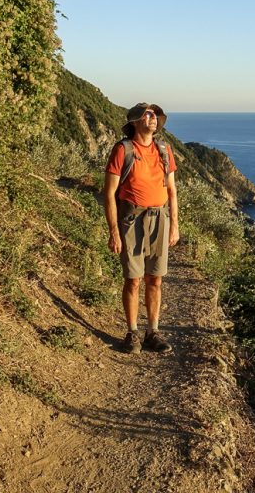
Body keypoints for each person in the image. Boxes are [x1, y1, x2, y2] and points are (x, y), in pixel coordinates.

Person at [102, 103, 180, 354]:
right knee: (133, 280)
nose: (153, 118)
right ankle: (133, 333)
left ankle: (153, 332)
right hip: (131, 220)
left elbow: (172, 191)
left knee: (155, 278)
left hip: (160, 218)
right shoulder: (122, 150)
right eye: (147, 114)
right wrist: (113, 230)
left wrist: (174, 225)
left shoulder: (165, 150)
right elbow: (109, 193)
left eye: (155, 115)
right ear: (135, 121)